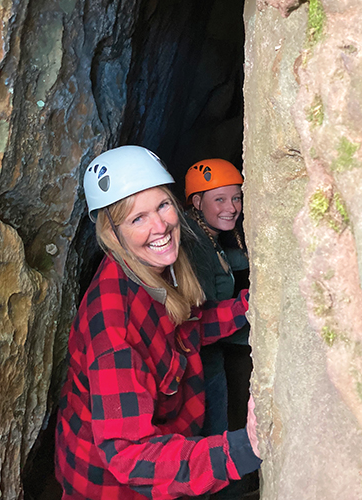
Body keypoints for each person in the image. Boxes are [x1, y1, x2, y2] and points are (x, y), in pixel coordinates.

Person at [55, 146, 261, 499]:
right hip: (112, 488)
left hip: (166, 449)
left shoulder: (155, 274)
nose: (160, 225)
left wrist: (251, 306)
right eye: (138, 219)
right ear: (112, 232)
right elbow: (130, 456)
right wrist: (244, 450)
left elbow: (188, 328)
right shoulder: (114, 330)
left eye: (163, 206)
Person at [184, 159, 255, 498]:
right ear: (196, 202)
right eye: (220, 200)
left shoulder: (207, 237)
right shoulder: (194, 246)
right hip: (199, 370)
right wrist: (254, 307)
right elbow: (203, 320)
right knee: (212, 445)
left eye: (237, 198)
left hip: (207, 363)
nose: (232, 208)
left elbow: (231, 262)